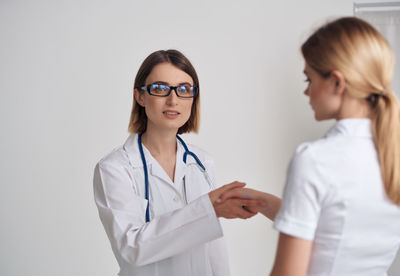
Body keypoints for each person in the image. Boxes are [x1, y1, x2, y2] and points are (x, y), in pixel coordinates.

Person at [218, 17, 400, 275]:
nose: (306, 93)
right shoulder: (391, 155)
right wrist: (265, 202)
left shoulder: (315, 159)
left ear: (337, 82)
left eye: (309, 80)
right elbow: (341, 230)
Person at [93, 49, 265, 276]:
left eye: (184, 89)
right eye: (161, 88)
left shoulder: (202, 163)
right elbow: (131, 248)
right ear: (140, 96)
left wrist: (210, 210)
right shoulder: (115, 168)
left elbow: (214, 251)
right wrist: (207, 209)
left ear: (193, 98)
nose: (173, 100)